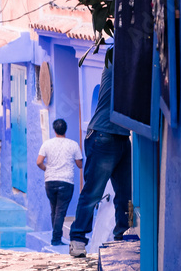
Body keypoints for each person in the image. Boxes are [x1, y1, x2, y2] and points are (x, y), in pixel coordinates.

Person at [69, 64, 132, 257]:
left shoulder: (118, 60)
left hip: (120, 136)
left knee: (124, 194)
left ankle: (122, 237)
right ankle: (78, 239)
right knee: (94, 192)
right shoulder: (116, 62)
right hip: (103, 135)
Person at [36, 118, 83, 246]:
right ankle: (56, 239)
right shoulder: (73, 144)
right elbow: (79, 164)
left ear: (54, 130)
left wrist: (46, 169)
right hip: (66, 181)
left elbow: (39, 162)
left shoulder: (47, 144)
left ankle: (56, 236)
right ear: (65, 130)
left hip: (50, 181)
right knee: (60, 212)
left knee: (54, 210)